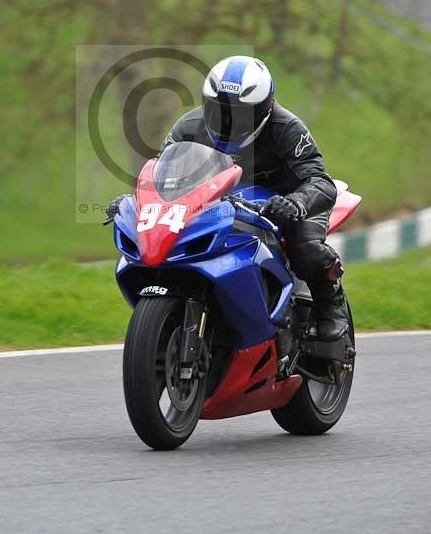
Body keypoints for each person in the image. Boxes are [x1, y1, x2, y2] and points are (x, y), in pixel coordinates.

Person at [108, 55, 350, 342]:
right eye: (219, 110)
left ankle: (330, 303)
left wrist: (296, 203)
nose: (228, 122)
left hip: (286, 201)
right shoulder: (188, 127)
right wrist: (139, 201)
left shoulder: (287, 128)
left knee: (303, 246)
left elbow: (320, 181)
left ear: (266, 108)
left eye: (239, 114)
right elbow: (163, 175)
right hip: (225, 202)